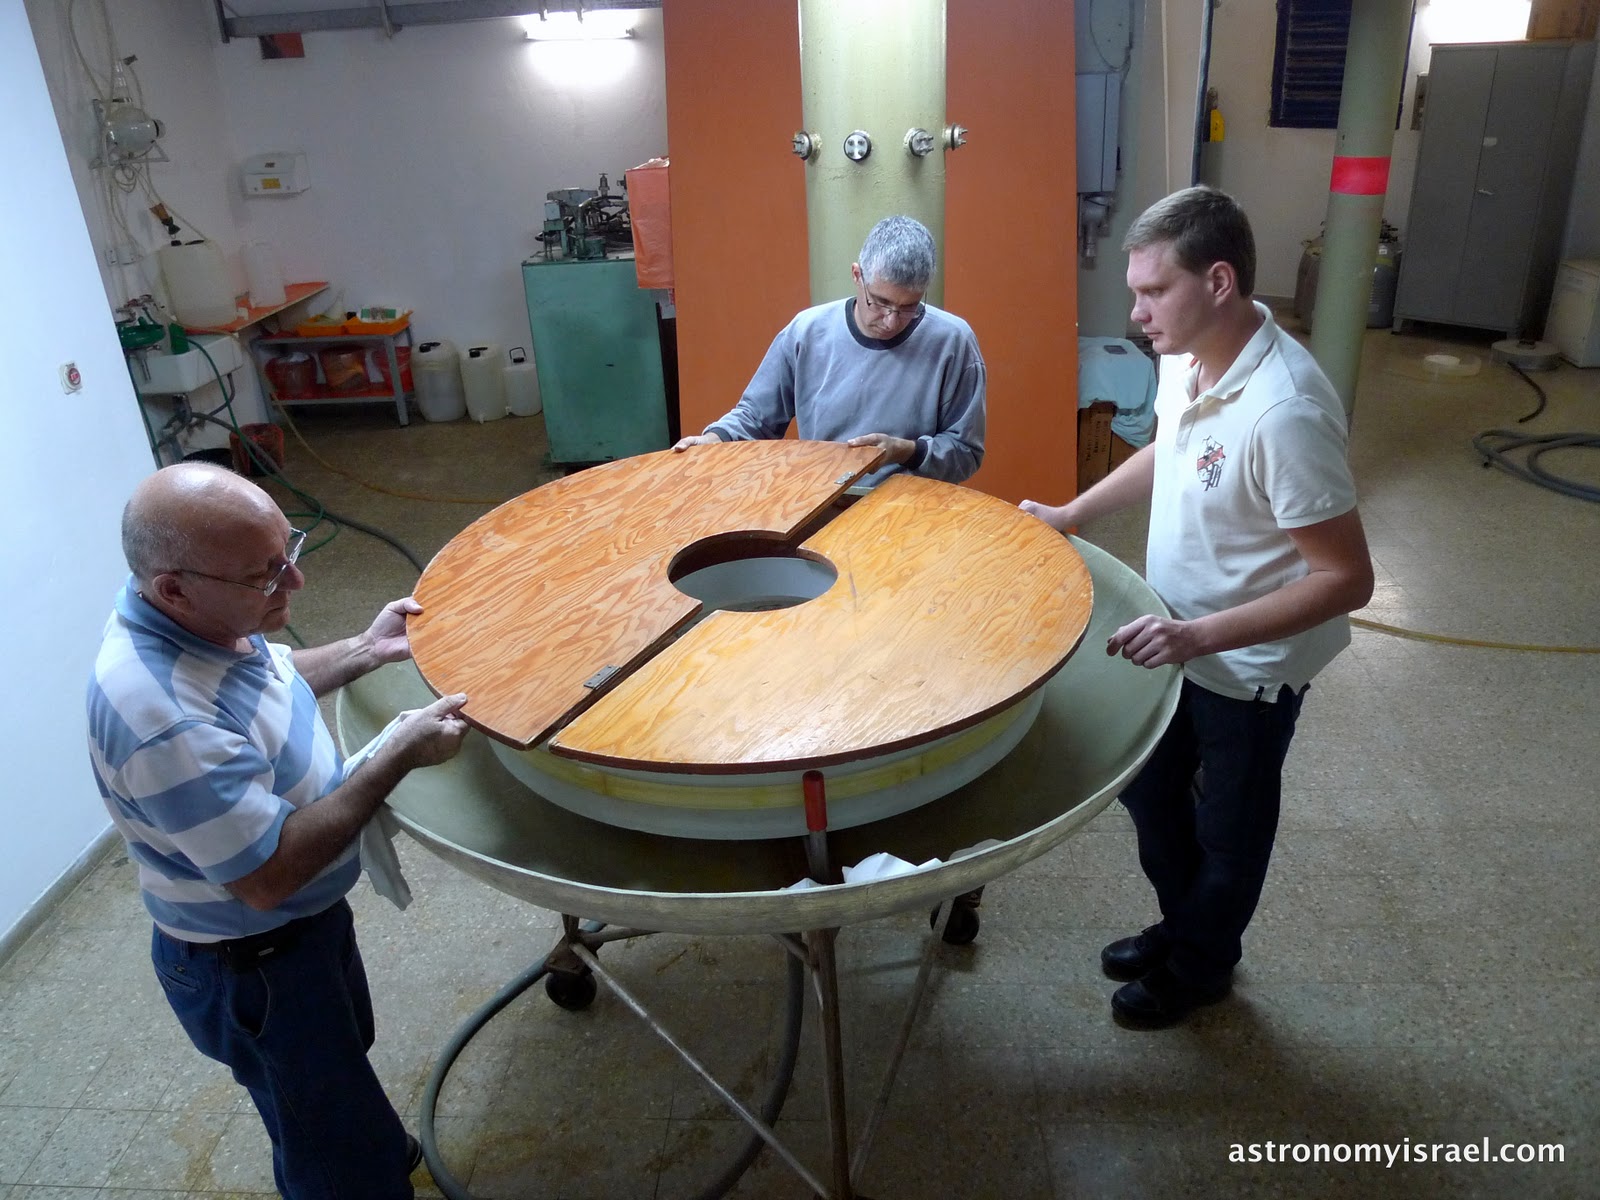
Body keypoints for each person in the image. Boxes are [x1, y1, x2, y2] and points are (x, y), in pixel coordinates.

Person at [1020, 186, 1373, 1029]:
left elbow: (1345, 580)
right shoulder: (1187, 361)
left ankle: (1205, 964)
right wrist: (1073, 513)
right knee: (1149, 792)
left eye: (1152, 292)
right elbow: (1166, 452)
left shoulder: (1285, 410)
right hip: (1173, 638)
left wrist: (1196, 635)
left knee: (1229, 830)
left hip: (1245, 668)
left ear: (1218, 282)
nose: (1136, 311)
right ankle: (1185, 927)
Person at [86, 462, 471, 1197]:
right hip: (254, 962)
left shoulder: (190, 614)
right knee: (319, 1132)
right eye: (266, 577)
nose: (293, 585)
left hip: (297, 933)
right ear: (174, 586)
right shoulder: (160, 718)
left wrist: (365, 649)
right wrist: (397, 755)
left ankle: (369, 1148)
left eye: (287, 553)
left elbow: (268, 677)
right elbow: (268, 876)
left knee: (335, 1075)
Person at [672, 214, 986, 485]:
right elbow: (756, 417)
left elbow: (966, 454)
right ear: (856, 275)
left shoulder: (953, 342)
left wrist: (908, 451)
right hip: (820, 499)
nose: (891, 321)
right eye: (880, 302)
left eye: (909, 307)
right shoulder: (807, 332)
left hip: (912, 510)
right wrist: (713, 441)